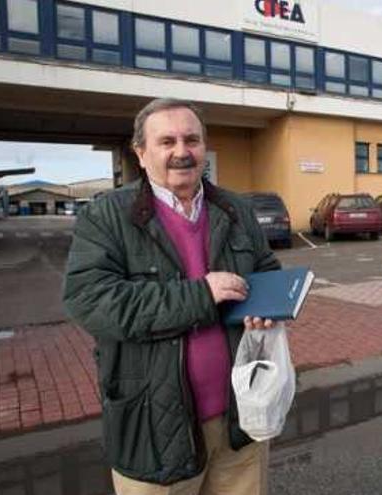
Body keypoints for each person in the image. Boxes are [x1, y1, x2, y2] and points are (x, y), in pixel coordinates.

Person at [63, 98, 280, 495]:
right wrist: (200, 295)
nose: (182, 152)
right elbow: (90, 300)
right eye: (167, 142)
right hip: (154, 428)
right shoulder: (107, 215)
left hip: (239, 418)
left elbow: (266, 269)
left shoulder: (236, 209)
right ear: (141, 153)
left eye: (192, 140)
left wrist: (267, 306)